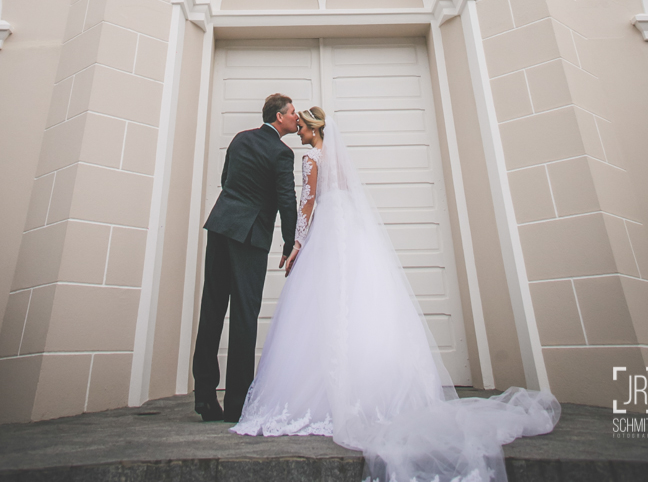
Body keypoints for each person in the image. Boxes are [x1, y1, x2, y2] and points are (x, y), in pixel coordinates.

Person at [233, 107, 560, 482]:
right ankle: (375, 393)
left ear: (314, 130)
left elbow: (307, 205)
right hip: (352, 232)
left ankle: (326, 395)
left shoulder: (311, 160)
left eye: (303, 128)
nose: (300, 133)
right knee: (362, 303)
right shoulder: (339, 159)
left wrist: (296, 245)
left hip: (327, 234)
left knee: (324, 307)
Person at [192, 92, 298, 422]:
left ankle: (204, 396)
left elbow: (226, 180)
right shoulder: (282, 153)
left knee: (211, 308)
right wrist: (290, 243)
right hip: (249, 235)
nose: (296, 117)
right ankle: (237, 404)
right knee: (244, 315)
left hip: (221, 225)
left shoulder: (240, 139)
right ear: (279, 117)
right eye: (292, 112)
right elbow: (286, 200)